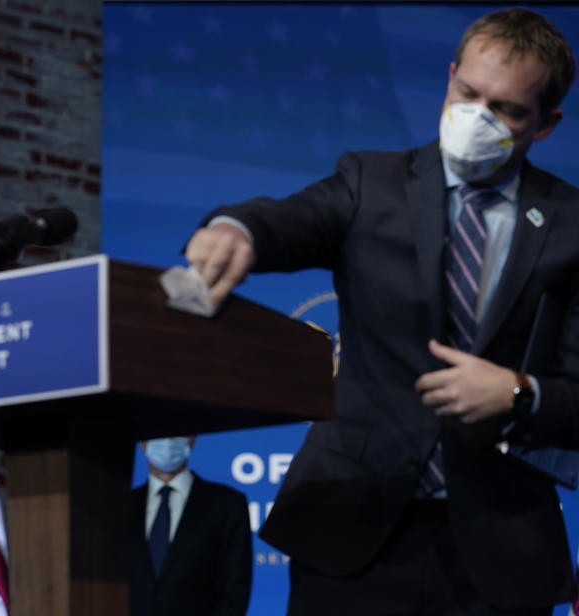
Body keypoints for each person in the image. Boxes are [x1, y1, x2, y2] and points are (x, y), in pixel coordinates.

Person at [185, 8, 579, 615]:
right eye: (467, 92)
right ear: (449, 76)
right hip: (350, 531)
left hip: (499, 552)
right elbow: (291, 220)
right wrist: (238, 228)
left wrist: (519, 394)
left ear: (546, 124)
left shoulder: (572, 226)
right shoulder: (370, 181)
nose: (476, 116)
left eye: (506, 109)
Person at [130, 436, 252, 616]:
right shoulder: (122, 505)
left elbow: (234, 592)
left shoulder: (227, 505)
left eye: (175, 433)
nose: (167, 441)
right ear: (142, 443)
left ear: (192, 440)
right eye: (159, 432)